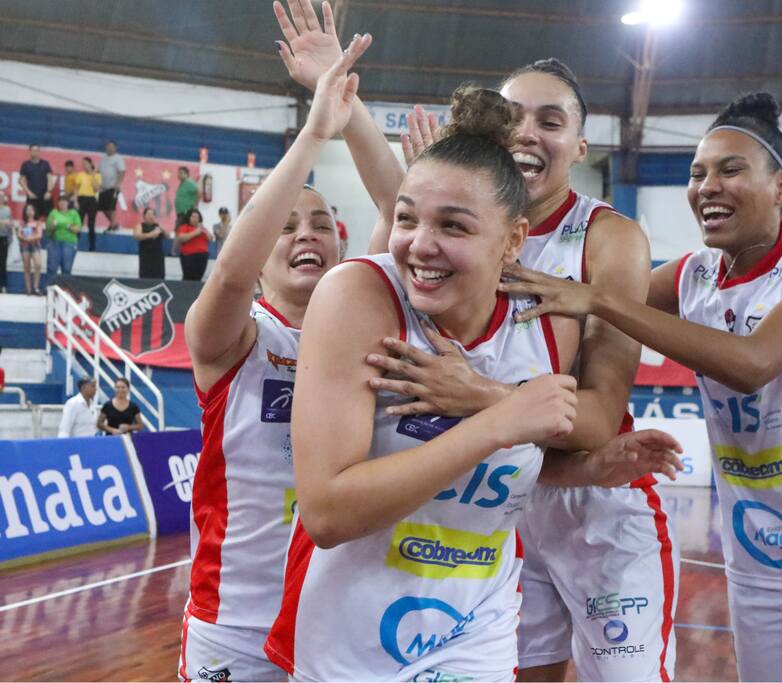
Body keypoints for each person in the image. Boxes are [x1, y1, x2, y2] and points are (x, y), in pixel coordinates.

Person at [262, 32, 681, 677]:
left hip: (500, 573)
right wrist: (346, 113)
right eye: (515, 117)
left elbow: (564, 424)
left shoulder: (581, 274)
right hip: (364, 608)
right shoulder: (373, 288)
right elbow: (329, 510)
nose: (423, 244)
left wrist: (510, 417)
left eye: (552, 120)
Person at [501, 91, 782, 682]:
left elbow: (753, 362)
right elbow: (567, 309)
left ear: (781, 186)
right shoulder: (693, 274)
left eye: (731, 169)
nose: (707, 185)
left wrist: (601, 297)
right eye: (696, 173)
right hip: (758, 551)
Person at [178, 38, 366, 683]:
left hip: (340, 620)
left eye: (321, 222)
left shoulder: (372, 338)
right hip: (236, 624)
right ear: (259, 251)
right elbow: (228, 277)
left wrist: (351, 114)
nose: (307, 233)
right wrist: (315, 135)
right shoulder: (236, 336)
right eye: (285, 226)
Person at [45, 194, 82, 282]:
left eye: (64, 201)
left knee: (66, 269)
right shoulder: (53, 213)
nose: (62, 203)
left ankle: (65, 291)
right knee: (52, 268)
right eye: (60, 201)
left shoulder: (73, 213)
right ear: (57, 203)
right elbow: (48, 229)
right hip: (55, 242)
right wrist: (53, 226)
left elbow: (78, 229)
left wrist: (69, 227)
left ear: (68, 203)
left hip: (69, 243)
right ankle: (49, 290)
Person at [18, 144, 55, 218]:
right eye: (33, 150)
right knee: (31, 218)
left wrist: (49, 191)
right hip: (32, 197)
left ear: (39, 151)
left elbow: (50, 178)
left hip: (45, 196)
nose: (35, 152)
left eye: (37, 150)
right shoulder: (26, 164)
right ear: (30, 151)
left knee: (49, 218)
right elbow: (21, 180)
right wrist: (29, 193)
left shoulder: (45, 164)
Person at [175, 208, 211, 281]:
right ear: (189, 218)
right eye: (193, 217)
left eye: (197, 217)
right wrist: (196, 233)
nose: (195, 219)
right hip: (189, 256)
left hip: (202, 257)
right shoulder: (184, 227)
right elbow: (181, 238)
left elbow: (210, 238)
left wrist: (204, 231)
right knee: (188, 278)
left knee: (198, 278)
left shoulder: (202, 228)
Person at [16, 204, 44, 295]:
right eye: (27, 210)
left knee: (38, 265)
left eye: (31, 209)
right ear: (25, 212)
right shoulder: (22, 223)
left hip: (35, 245)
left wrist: (29, 239)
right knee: (26, 267)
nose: (29, 211)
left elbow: (39, 235)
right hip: (25, 245)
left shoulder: (38, 222)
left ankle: (36, 287)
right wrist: (25, 239)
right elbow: (19, 234)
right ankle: (28, 289)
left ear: (34, 211)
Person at [98, 140, 126, 232]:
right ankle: (113, 224)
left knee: (111, 206)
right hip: (103, 188)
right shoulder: (103, 158)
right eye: (108, 146)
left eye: (111, 146)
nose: (109, 148)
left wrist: (118, 184)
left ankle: (112, 226)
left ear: (115, 148)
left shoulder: (118, 158)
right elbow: (98, 172)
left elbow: (122, 171)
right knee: (103, 207)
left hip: (113, 186)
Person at [75, 157, 102, 251]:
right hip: (81, 199)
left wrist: (92, 174)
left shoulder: (97, 175)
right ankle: (75, 245)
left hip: (92, 200)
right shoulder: (80, 175)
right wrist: (75, 201)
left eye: (86, 163)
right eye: (83, 163)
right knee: (79, 223)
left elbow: (96, 189)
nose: (84, 165)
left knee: (91, 224)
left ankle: (92, 247)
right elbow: (76, 189)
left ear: (91, 164)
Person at [133, 207, 168, 279]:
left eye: (153, 214)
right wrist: (150, 235)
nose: (151, 216)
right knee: (145, 275)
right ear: (144, 216)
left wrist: (163, 230)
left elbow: (167, 236)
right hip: (145, 255)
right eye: (148, 214)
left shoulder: (158, 226)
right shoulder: (140, 225)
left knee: (159, 275)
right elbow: (136, 236)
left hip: (157, 255)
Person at [0, 191, 12, 293]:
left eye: (2, 196)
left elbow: (10, 224)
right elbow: (5, 222)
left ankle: (3, 285)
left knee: (3, 263)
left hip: (4, 238)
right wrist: (3, 222)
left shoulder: (8, 210)